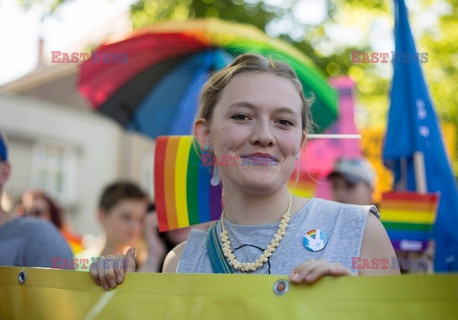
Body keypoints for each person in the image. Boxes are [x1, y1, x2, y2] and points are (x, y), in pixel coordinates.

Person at [90, 53, 399, 290]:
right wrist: (115, 296)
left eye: (284, 121)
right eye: (242, 116)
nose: (264, 135)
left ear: (300, 141)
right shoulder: (181, 262)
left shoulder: (360, 231)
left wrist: (356, 306)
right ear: (205, 134)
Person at [0, 131, 73, 267]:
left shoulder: (39, 237)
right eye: (24, 211)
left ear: (4, 172)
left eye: (38, 212)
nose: (29, 216)